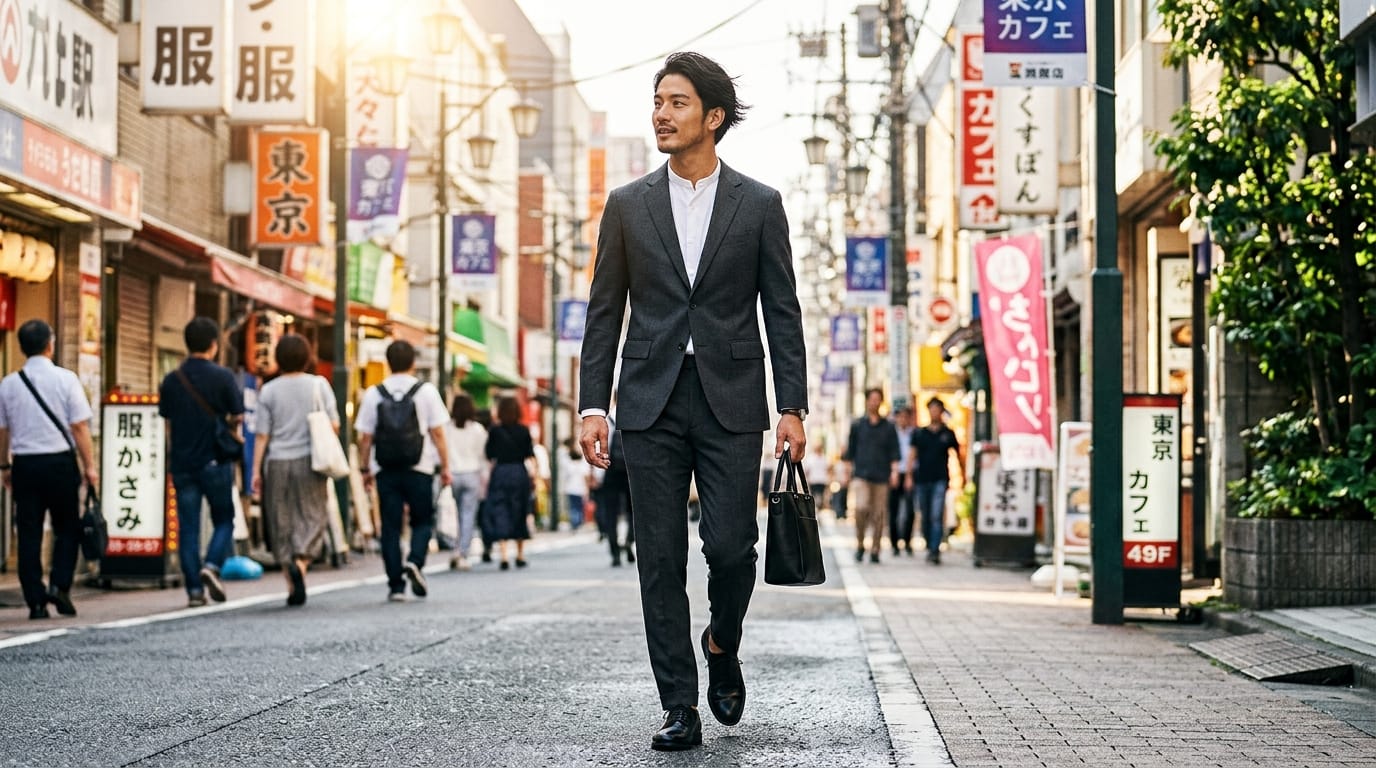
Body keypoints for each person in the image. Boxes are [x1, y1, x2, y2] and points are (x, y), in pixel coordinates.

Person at [578, 52, 808, 751]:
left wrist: (791, 407)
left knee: (733, 548)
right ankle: (679, 705)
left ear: (712, 117)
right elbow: (602, 311)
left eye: (677, 102)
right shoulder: (627, 204)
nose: (661, 113)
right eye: (657, 101)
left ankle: (722, 640)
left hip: (731, 399)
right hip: (648, 401)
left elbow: (783, 311)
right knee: (659, 559)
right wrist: (593, 404)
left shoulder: (760, 204)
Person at [0, 320, 98, 620]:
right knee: (67, 527)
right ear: (50, 345)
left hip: (25, 464)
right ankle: (59, 585)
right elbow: (79, 426)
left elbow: (3, 430)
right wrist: (90, 466)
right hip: (59, 463)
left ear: (21, 348)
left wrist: (4, 464)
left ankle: (35, 601)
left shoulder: (8, 384)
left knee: (29, 532)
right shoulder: (66, 380)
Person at [354, 340, 450, 602]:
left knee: (390, 527)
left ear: (388, 362)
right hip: (420, 467)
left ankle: (396, 585)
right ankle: (415, 562)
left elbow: (365, 437)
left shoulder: (375, 393)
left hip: (385, 468)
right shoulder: (426, 391)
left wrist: (364, 468)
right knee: (422, 520)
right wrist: (446, 466)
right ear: (412, 363)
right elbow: (438, 433)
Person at [159, 317, 244, 608]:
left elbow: (168, 424)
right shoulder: (223, 377)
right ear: (213, 344)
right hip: (215, 460)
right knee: (224, 519)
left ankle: (194, 590)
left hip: (182, 464)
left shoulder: (171, 380)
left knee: (188, 528)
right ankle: (212, 565)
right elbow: (238, 416)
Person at [250, 335, 336, 607]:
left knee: (281, 520)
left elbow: (262, 435)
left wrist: (255, 471)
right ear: (307, 356)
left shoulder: (269, 390)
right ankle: (301, 562)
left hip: (277, 462)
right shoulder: (318, 385)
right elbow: (333, 425)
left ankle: (291, 580)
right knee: (312, 514)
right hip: (311, 461)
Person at [841, 387, 900, 564]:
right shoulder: (857, 425)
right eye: (871, 399)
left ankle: (875, 548)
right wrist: (845, 473)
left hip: (882, 476)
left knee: (879, 514)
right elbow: (849, 452)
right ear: (866, 401)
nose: (874, 402)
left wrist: (895, 472)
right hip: (861, 475)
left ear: (881, 402)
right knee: (860, 508)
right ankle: (860, 544)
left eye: (877, 399)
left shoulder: (889, 427)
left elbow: (894, 452)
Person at [484, 396, 535, 569]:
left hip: (500, 472)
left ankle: (504, 555)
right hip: (519, 472)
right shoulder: (524, 430)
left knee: (501, 509)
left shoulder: (494, 431)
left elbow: (489, 454)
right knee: (520, 509)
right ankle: (520, 554)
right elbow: (530, 454)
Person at [912, 396, 964, 564]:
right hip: (922, 479)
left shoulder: (948, 433)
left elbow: (958, 454)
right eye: (932, 409)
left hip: (940, 479)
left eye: (937, 409)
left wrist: (962, 475)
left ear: (942, 412)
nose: (934, 412)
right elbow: (912, 455)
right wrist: (907, 476)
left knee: (936, 514)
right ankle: (929, 544)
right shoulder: (920, 433)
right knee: (926, 514)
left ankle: (935, 549)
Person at [444, 392, 487, 571]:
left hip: (452, 474)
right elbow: (482, 455)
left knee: (451, 513)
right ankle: (462, 552)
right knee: (467, 514)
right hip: (472, 474)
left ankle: (454, 546)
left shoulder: (447, 428)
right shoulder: (477, 429)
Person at [589, 413, 634, 567]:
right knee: (633, 511)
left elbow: (599, 448)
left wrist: (596, 475)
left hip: (610, 472)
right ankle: (629, 540)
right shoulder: (634, 415)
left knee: (611, 513)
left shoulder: (605, 419)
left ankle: (615, 552)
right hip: (631, 472)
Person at [888, 404, 918, 556]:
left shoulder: (915, 434)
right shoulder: (891, 434)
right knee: (893, 510)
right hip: (894, 474)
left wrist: (910, 475)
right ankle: (894, 544)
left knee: (909, 511)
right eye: (900, 416)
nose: (903, 419)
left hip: (909, 475)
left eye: (906, 416)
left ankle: (907, 541)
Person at [558, 438, 588, 531]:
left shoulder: (568, 464)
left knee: (573, 507)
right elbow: (585, 476)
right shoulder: (582, 464)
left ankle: (575, 523)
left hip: (570, 488)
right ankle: (577, 522)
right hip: (579, 488)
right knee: (578, 506)